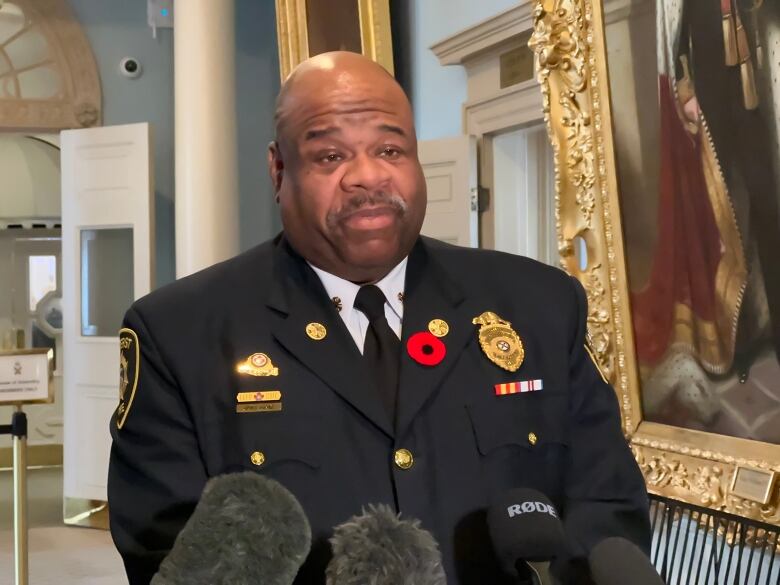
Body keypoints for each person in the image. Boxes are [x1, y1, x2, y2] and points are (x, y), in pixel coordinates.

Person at [108, 51, 650, 584]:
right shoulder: (179, 333)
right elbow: (165, 550)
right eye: (329, 157)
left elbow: (606, 504)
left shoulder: (538, 304)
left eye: (390, 149)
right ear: (278, 169)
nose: (367, 177)